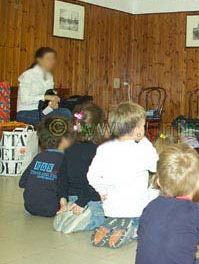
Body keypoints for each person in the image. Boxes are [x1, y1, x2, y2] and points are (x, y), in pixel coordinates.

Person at [87, 102, 158, 248]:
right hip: (134, 207)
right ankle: (132, 230)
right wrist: (145, 141)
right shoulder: (141, 150)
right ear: (137, 129)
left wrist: (101, 191)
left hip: (111, 206)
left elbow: (92, 175)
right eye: (143, 126)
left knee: (117, 210)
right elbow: (155, 165)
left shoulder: (104, 148)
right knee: (155, 194)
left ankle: (112, 225)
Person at [54, 103, 105, 234]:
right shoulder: (99, 150)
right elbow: (95, 182)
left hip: (72, 197)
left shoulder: (68, 147)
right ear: (99, 127)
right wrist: (82, 202)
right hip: (90, 199)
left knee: (73, 206)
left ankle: (67, 213)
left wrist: (63, 198)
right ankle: (88, 218)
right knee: (101, 216)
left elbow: (62, 175)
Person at [19, 117, 74, 217]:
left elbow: (22, 182)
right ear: (64, 140)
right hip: (53, 209)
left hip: (30, 207)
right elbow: (64, 185)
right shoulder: (64, 159)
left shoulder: (38, 157)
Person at [17, 47, 72, 126]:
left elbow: (49, 99)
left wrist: (52, 105)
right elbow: (25, 99)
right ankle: (60, 138)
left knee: (64, 112)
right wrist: (46, 97)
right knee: (65, 114)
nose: (51, 61)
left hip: (43, 112)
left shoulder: (49, 77)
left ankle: (55, 138)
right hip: (26, 113)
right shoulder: (27, 75)